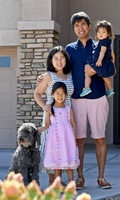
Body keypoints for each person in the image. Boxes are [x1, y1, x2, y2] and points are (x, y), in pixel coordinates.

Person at [65, 11, 114, 189]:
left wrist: (96, 72)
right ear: (74, 28)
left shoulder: (101, 45)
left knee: (100, 138)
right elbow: (61, 71)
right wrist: (45, 78)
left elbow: (110, 69)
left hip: (98, 97)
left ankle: (101, 177)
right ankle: (80, 177)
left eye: (83, 24)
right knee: (79, 140)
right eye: (76, 25)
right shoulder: (69, 49)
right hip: (77, 99)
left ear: (88, 26)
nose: (80, 28)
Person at [34, 45, 74, 185]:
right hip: (52, 115)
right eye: (55, 58)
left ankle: (60, 180)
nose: (59, 61)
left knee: (64, 147)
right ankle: (53, 181)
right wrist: (44, 106)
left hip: (66, 114)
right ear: (51, 61)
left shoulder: (69, 75)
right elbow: (37, 93)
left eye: (61, 58)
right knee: (52, 147)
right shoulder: (47, 76)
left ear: (65, 60)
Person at [39, 82, 80, 182]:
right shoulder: (49, 109)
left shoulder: (68, 109)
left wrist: (75, 137)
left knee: (69, 161)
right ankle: (57, 184)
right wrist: (37, 131)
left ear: (66, 95)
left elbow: (73, 124)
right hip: (55, 139)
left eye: (62, 93)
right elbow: (47, 124)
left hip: (67, 138)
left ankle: (71, 183)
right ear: (52, 94)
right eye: (57, 93)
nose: (60, 96)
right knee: (57, 163)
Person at [80, 20, 116, 97]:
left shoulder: (104, 42)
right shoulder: (105, 41)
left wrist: (99, 60)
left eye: (103, 32)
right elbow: (110, 51)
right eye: (99, 32)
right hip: (103, 63)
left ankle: (86, 88)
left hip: (99, 63)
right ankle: (110, 89)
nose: (100, 34)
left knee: (86, 73)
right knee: (105, 77)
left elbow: (102, 51)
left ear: (108, 33)